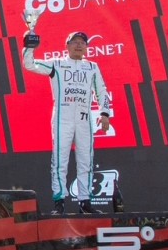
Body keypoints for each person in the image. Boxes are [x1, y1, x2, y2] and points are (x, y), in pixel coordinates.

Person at [23, 30, 111, 214]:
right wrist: (29, 47)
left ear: (87, 47)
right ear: (67, 45)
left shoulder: (93, 67)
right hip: (62, 118)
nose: (79, 45)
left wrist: (105, 114)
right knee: (60, 161)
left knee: (86, 161)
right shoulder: (57, 64)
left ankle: (85, 202)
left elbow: (102, 91)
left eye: (82, 42)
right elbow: (29, 64)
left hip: (84, 119)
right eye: (75, 41)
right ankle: (59, 202)